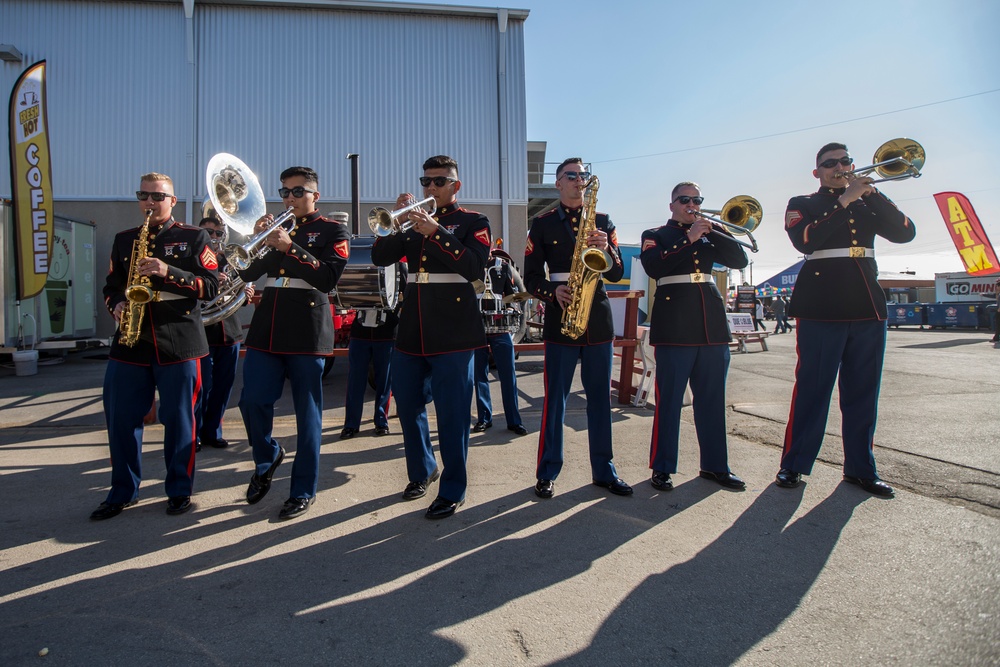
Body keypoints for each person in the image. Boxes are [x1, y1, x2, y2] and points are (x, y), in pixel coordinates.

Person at [776, 142, 916, 497]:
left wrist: (872, 193)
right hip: (822, 306)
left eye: (845, 161)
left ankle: (860, 468)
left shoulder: (870, 200)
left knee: (863, 393)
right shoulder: (803, 203)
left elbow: (904, 232)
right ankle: (793, 465)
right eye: (830, 163)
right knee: (813, 389)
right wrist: (844, 201)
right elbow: (806, 242)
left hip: (867, 304)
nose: (839, 167)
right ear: (817, 171)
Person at [91, 173, 219, 520]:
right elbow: (111, 286)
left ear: (173, 201)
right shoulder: (124, 240)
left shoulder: (195, 237)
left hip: (178, 340)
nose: (150, 202)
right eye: (144, 195)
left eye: (158, 196)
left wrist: (168, 270)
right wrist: (116, 304)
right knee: (120, 420)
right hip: (130, 342)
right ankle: (122, 491)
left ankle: (179, 490)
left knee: (179, 422)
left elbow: (211, 286)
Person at [371, 155, 490, 519]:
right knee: (407, 406)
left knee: (453, 415)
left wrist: (436, 232)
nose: (431, 188)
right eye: (426, 181)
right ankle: (423, 469)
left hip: (454, 328)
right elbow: (379, 256)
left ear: (456, 185)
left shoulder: (473, 221)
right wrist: (397, 222)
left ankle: (453, 488)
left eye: (439, 181)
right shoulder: (410, 224)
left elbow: (474, 266)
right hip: (413, 327)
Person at [237, 166, 350, 520]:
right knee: (251, 400)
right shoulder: (277, 230)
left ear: (316, 195)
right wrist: (256, 241)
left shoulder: (333, 230)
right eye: (285, 192)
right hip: (268, 324)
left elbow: (328, 278)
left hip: (307, 326)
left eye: (298, 191)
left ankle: (303, 489)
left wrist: (291, 247)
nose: (290, 198)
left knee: (307, 414)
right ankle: (268, 454)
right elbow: (248, 273)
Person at [523, 157, 630, 500]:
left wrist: (607, 249)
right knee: (556, 400)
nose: (579, 180)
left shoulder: (603, 221)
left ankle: (604, 471)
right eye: (572, 175)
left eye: (583, 175)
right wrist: (551, 292)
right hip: (561, 314)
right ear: (558, 183)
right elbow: (530, 276)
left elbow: (615, 273)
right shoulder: (541, 223)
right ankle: (547, 472)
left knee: (600, 399)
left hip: (597, 318)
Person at [639, 182, 749, 492]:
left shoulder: (710, 233)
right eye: (685, 199)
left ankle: (715, 466)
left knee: (712, 401)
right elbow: (654, 267)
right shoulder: (657, 235)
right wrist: (689, 237)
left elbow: (739, 261)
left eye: (697, 199)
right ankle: (662, 467)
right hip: (675, 325)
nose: (692, 203)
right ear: (672, 204)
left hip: (711, 325)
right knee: (670, 401)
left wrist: (716, 231)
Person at [195, 216, 253, 451]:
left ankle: (212, 432)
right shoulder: (193, 261)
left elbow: (242, 287)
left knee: (223, 387)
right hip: (201, 333)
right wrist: (208, 283)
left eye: (219, 233)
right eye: (209, 232)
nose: (214, 237)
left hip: (229, 332)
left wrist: (246, 292)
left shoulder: (232, 260)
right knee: (202, 386)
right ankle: (195, 433)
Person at [340, 260, 406, 440]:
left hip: (386, 330)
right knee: (355, 380)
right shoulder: (363, 263)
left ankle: (381, 421)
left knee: (384, 380)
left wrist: (393, 308)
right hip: (360, 329)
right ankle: (351, 424)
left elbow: (405, 295)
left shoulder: (399, 267)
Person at [472, 247, 528, 437]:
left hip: (500, 327)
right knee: (479, 375)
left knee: (508, 374)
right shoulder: (470, 266)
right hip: (477, 327)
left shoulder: (502, 267)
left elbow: (511, 295)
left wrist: (515, 304)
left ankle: (514, 420)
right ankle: (484, 418)